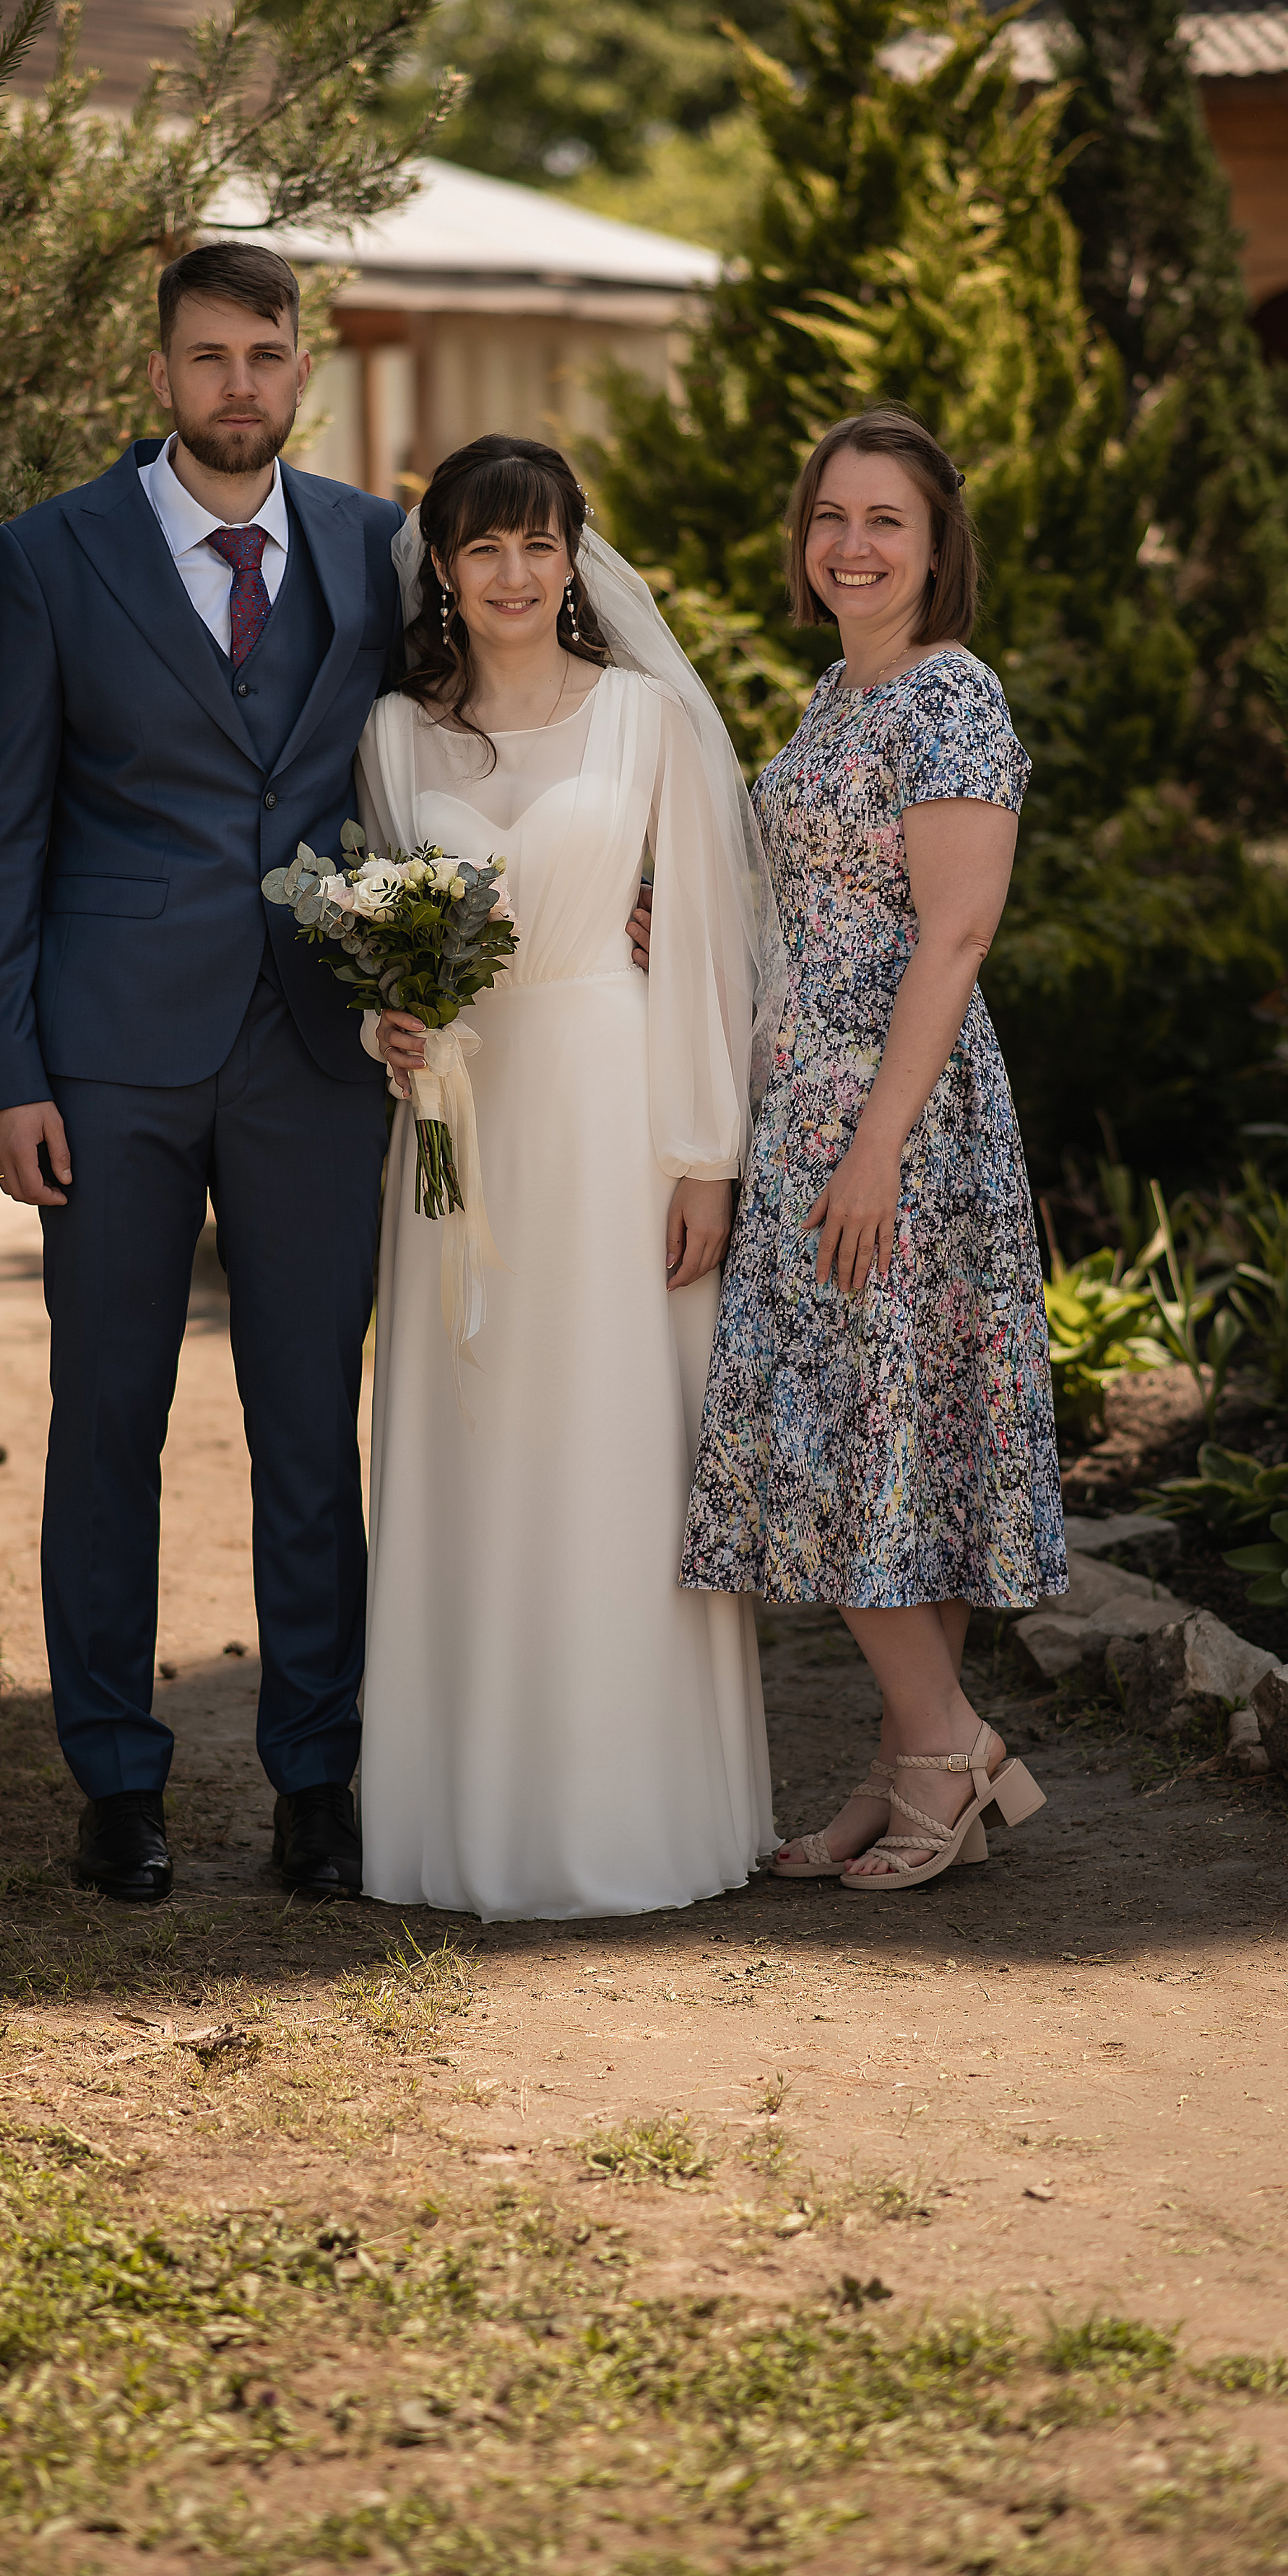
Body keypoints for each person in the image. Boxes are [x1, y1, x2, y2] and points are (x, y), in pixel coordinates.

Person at [0, 240, 405, 1905]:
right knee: (107, 1422)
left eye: (263, 355)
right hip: (108, 1060)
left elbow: (474, 731)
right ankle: (115, 1780)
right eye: (206, 356)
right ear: (160, 374)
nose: (237, 385)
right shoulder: (47, 557)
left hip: (314, 1056)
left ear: (302, 368)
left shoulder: (375, 545)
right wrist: (8, 1072)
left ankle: (315, 1779)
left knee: (307, 1430)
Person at [356, 435, 779, 1921]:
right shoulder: (398, 739)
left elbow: (710, 960)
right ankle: (462, 1819)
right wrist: (385, 1022)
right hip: (464, 1132)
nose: (513, 575)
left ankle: (629, 1813)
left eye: (537, 544)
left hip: (612, 1115)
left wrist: (703, 1160)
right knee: (473, 1449)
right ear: (443, 571)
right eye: (481, 549)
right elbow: (380, 938)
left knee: (611, 1455)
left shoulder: (649, 724)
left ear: (575, 555)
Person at [680, 409, 1064, 1892]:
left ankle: (945, 1750)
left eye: (884, 519)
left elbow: (954, 934)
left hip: (893, 1124)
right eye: (829, 515)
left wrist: (875, 1151)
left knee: (842, 1449)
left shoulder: (946, 697)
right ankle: (913, 1760)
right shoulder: (838, 692)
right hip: (810, 1111)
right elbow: (813, 901)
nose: (850, 542)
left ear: (933, 542)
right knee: (887, 1450)